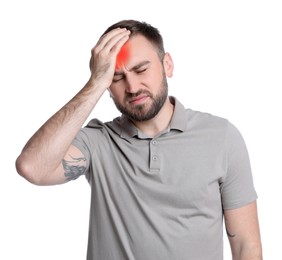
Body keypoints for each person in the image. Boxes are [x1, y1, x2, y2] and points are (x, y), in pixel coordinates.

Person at [16, 19, 262, 259]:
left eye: (141, 69)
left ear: (167, 65)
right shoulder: (98, 142)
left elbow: (246, 246)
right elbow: (32, 167)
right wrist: (95, 83)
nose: (132, 86)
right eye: (116, 77)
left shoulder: (221, 137)